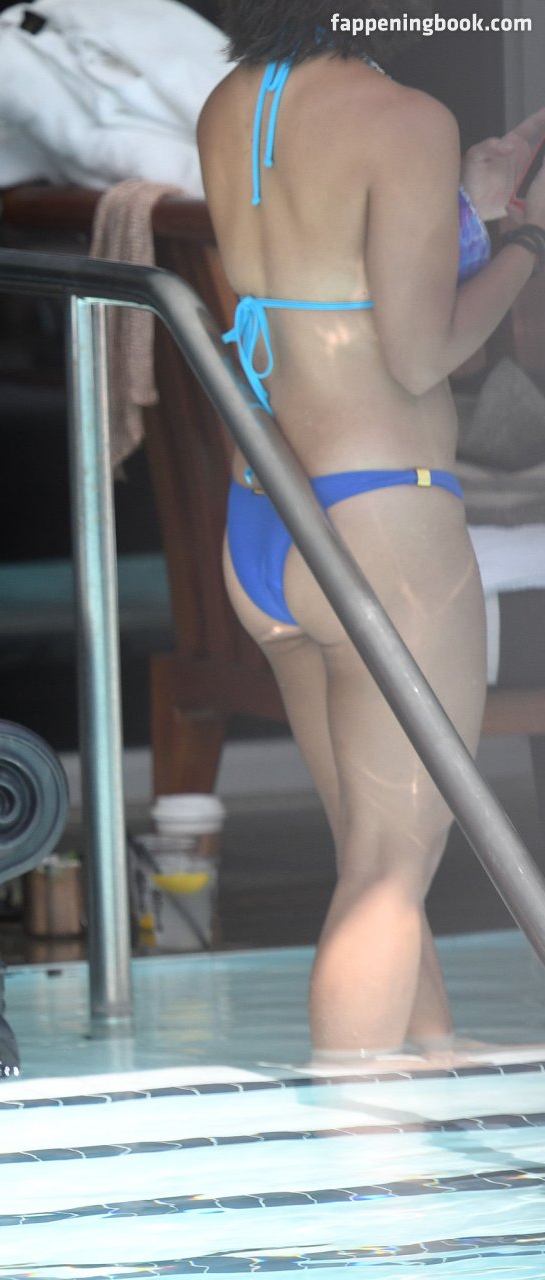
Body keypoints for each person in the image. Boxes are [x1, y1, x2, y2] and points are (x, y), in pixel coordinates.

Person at [197, 1, 545, 1066]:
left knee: (374, 844)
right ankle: (349, 1130)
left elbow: (328, 278)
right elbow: (422, 351)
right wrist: (527, 242)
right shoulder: (406, 117)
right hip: (381, 513)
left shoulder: (232, 103)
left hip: (267, 513)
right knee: (393, 862)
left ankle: (428, 1048)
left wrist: (466, 207)